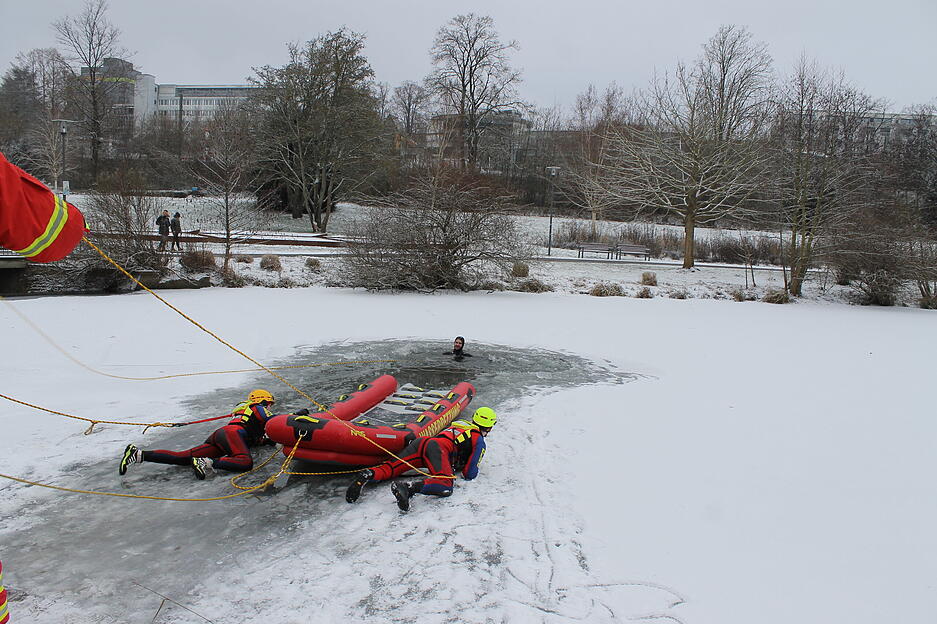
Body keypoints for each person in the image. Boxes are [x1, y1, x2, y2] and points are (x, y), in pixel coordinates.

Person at [345, 406, 497, 512]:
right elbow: (469, 473)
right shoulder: (478, 440)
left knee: (391, 467)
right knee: (445, 485)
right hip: (437, 450)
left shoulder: (461, 425)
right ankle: (409, 488)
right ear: (489, 426)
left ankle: (368, 474)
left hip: (423, 442)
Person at [119, 389, 289, 479]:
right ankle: (205, 462)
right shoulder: (256, 407)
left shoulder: (245, 412)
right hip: (233, 434)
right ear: (263, 401)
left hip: (222, 435)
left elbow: (257, 438)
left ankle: (139, 454)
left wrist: (268, 441)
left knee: (182, 457)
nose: (269, 407)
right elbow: (274, 421)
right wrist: (296, 417)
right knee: (245, 462)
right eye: (269, 404)